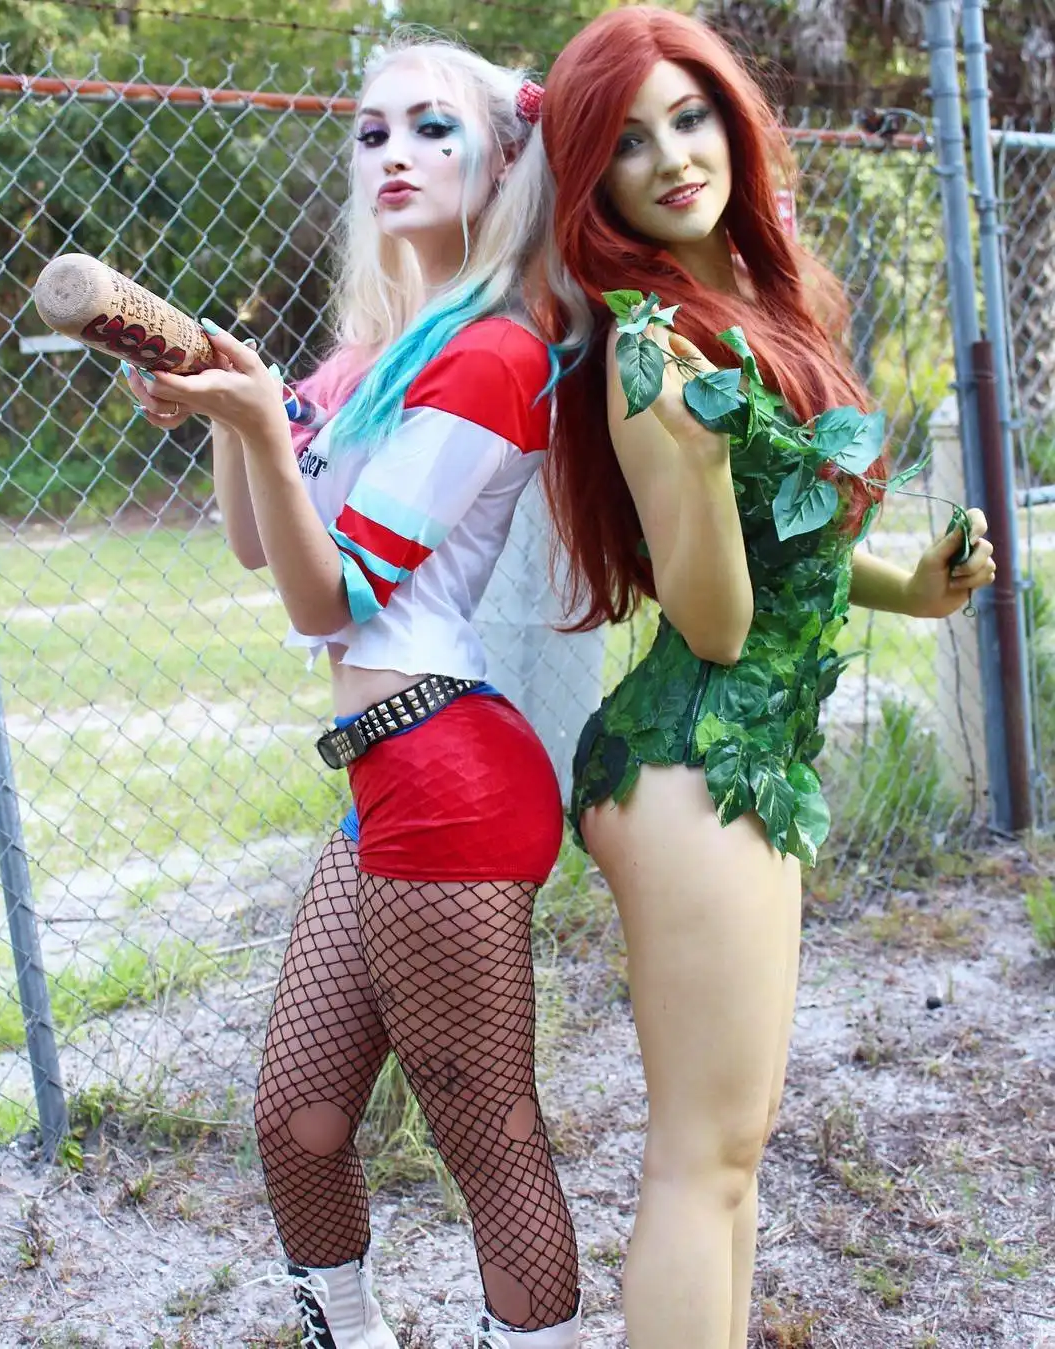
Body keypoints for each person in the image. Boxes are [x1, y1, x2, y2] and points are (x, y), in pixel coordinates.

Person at [536, 9, 997, 1348]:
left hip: (745, 761)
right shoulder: (651, 354)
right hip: (691, 759)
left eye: (689, 118)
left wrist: (913, 587)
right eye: (629, 142)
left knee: (733, 1154)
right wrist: (689, 462)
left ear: (732, 125)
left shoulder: (745, 307)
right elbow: (721, 627)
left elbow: (796, 557)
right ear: (593, 180)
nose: (673, 157)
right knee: (702, 1158)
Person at [120, 35, 581, 1349]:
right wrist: (237, 415)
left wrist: (265, 422)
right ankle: (352, 1330)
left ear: (505, 160)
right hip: (386, 774)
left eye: (433, 129)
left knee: (487, 1136)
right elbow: (258, 548)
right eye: (372, 132)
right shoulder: (376, 359)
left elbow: (337, 601)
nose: (394, 155)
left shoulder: (495, 353)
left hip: (449, 768)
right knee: (298, 1118)